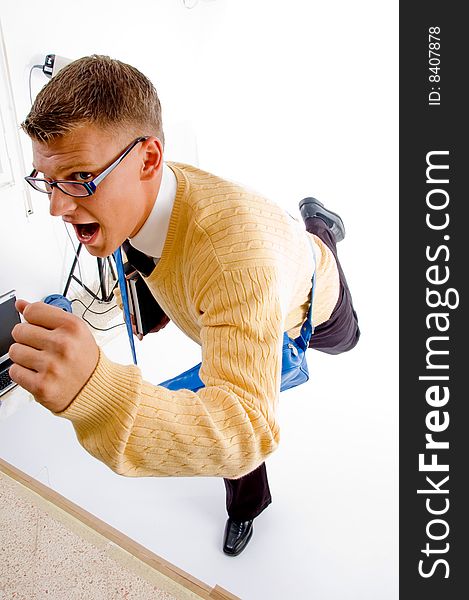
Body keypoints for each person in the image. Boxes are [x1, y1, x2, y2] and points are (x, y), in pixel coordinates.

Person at [9, 55, 360, 557]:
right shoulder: (136, 195)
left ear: (148, 159)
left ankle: (320, 228)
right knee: (225, 383)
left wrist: (96, 389)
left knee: (348, 339)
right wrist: (149, 313)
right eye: (46, 180)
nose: (56, 207)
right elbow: (164, 254)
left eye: (79, 177)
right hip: (252, 270)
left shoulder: (234, 260)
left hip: (307, 293)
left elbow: (248, 428)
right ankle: (247, 506)